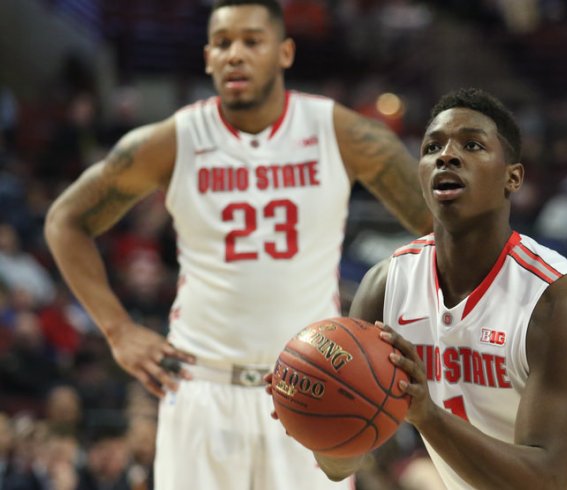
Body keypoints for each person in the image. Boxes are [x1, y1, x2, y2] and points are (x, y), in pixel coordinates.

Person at [43, 1, 431, 489]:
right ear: (207, 57)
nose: (235, 55)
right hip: (200, 387)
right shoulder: (176, 139)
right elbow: (65, 220)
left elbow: (439, 226)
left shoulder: (339, 132)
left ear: (285, 52)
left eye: (252, 41)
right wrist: (118, 329)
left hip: (314, 389)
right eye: (223, 43)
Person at [290, 87, 567, 489]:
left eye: (471, 145)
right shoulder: (386, 286)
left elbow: (546, 482)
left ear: (512, 177)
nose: (446, 156)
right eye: (432, 147)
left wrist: (426, 415)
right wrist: (309, 409)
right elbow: (341, 465)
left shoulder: (559, 301)